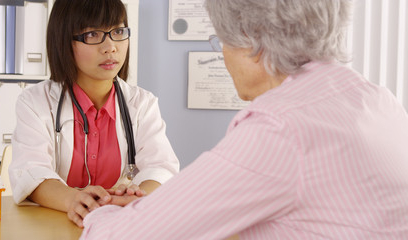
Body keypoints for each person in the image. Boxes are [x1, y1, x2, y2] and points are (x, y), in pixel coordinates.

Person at [80, 0, 408, 239]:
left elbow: (124, 236)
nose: (222, 54)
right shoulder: (377, 100)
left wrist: (103, 210)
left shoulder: (280, 128)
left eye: (222, 41)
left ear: (252, 39)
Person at [8, 0, 179, 228]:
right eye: (92, 34)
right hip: (56, 226)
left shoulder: (142, 104)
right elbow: (30, 171)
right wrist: (74, 200)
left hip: (122, 226)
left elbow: (162, 167)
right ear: (64, 41)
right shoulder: (35, 102)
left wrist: (136, 199)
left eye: (118, 31)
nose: (110, 47)